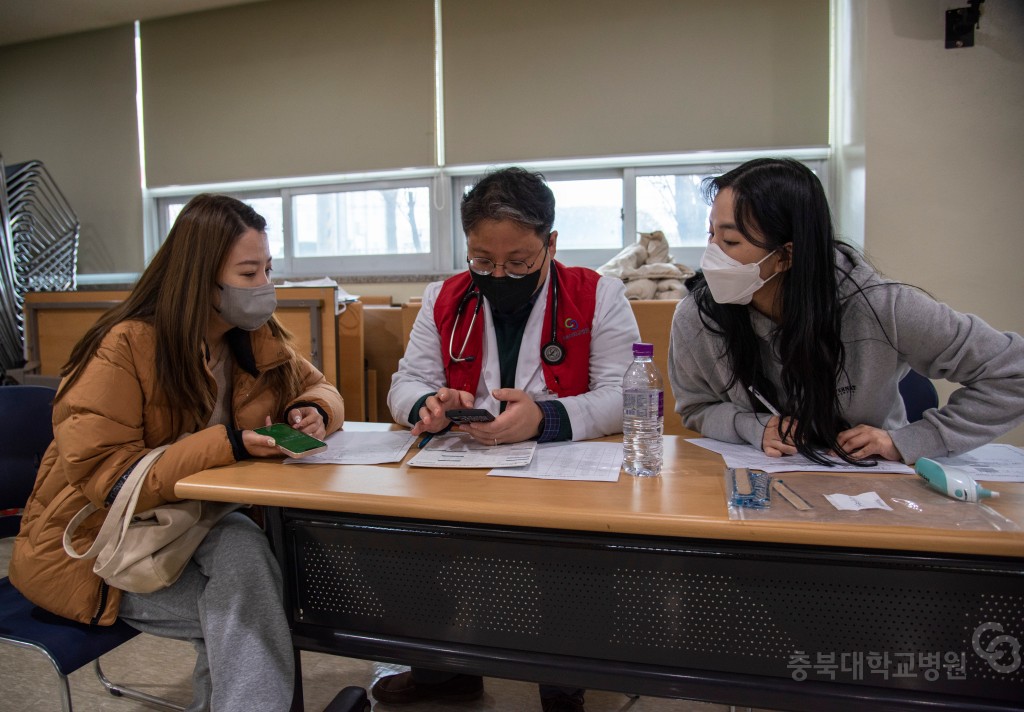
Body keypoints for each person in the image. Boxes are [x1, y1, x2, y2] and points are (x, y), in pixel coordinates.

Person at [9, 194, 345, 712]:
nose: (265, 287)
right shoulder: (125, 347)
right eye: (249, 273)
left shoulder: (254, 337)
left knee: (244, 553)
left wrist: (313, 409)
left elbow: (322, 387)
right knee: (254, 612)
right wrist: (227, 442)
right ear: (200, 277)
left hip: (193, 526)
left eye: (269, 269)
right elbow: (109, 477)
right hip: (100, 547)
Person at [383, 167, 640, 712]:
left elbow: (625, 394)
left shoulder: (598, 295)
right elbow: (406, 380)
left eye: (518, 262)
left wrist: (543, 417)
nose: (499, 275)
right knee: (408, 533)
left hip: (560, 468)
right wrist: (425, 406)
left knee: (568, 550)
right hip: (465, 464)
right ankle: (442, 673)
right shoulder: (443, 298)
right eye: (483, 261)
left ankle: (562, 688)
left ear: (550, 244)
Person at [669, 157, 1024, 465]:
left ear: (786, 255)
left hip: (873, 487)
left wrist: (912, 441)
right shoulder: (698, 317)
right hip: (758, 483)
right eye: (710, 234)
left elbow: (1013, 372)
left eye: (730, 241)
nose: (711, 254)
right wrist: (750, 426)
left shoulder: (882, 306)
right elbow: (696, 408)